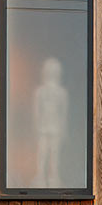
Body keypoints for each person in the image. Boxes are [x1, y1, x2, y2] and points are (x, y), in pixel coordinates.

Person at [33, 56, 68, 187]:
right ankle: (41, 176)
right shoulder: (40, 92)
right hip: (43, 127)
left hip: (55, 127)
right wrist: (36, 127)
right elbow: (37, 111)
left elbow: (63, 113)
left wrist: (64, 129)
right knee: (42, 153)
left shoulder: (61, 93)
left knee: (54, 153)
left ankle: (53, 177)